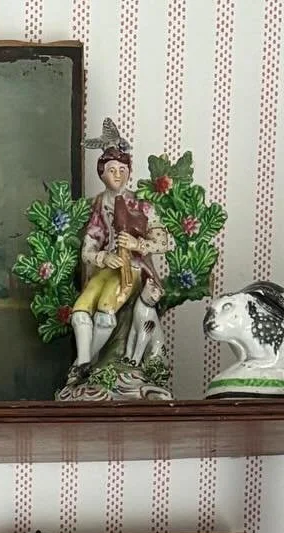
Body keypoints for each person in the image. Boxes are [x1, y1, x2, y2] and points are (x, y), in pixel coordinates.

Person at [71, 126, 170, 372]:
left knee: (106, 312)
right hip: (106, 268)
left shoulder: (142, 206)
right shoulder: (98, 205)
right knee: (80, 311)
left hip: (133, 269)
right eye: (112, 170)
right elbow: (88, 248)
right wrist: (102, 257)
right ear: (101, 173)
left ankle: (86, 365)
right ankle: (82, 361)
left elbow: (165, 242)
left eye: (123, 170)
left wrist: (138, 244)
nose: (118, 175)